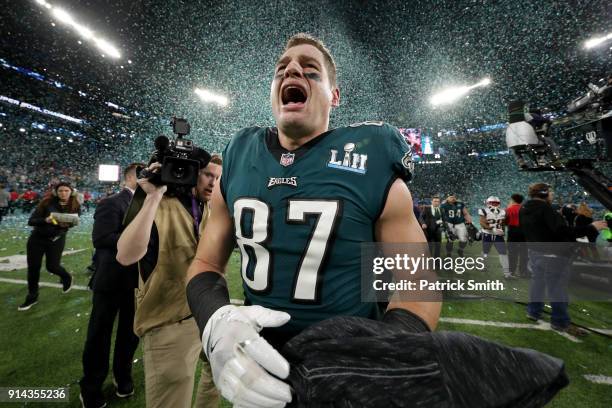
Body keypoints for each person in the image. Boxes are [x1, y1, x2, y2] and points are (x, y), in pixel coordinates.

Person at [185, 33, 441, 407]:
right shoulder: (240, 154)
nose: (292, 71)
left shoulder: (371, 155)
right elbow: (206, 262)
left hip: (349, 370)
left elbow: (416, 278)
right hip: (259, 364)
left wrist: (384, 353)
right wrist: (215, 320)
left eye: (311, 70)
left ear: (334, 96)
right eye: (282, 69)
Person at [116, 155, 222, 408]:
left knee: (220, 372)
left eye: (218, 178)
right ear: (192, 173)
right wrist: (152, 196)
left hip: (205, 314)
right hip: (169, 322)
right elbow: (125, 255)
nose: (213, 183)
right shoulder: (160, 204)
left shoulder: (207, 205)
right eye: (209, 175)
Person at [79, 163, 144, 408]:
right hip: (111, 280)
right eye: (143, 174)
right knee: (99, 335)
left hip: (136, 281)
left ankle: (122, 377)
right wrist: (139, 238)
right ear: (130, 177)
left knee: (130, 334)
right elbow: (101, 238)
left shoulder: (150, 204)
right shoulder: (112, 202)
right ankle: (91, 387)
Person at [520, 183, 606, 336]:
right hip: (553, 255)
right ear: (544, 193)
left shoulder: (524, 208)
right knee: (557, 288)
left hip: (535, 252)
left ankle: (533, 311)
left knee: (538, 283)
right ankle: (560, 322)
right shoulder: (546, 209)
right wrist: (591, 228)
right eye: (551, 192)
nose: (552, 195)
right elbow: (563, 232)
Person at [18, 182, 80, 311]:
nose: (63, 193)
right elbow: (31, 221)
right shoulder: (46, 203)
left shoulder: (75, 205)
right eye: (60, 191)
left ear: (71, 192)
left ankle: (66, 276)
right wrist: (45, 220)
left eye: (66, 191)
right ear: (56, 192)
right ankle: (32, 296)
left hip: (56, 239)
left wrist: (65, 225)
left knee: (52, 267)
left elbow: (73, 223)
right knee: (33, 268)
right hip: (37, 239)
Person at [478, 196, 512, 278]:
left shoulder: (502, 212)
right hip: (487, 234)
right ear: (488, 203)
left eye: (496, 203)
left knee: (503, 252)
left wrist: (502, 231)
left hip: (498, 235)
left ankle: (506, 273)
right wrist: (492, 228)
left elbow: (503, 224)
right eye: (493, 203)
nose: (495, 204)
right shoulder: (483, 211)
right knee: (486, 251)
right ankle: (482, 264)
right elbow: (482, 223)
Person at [505, 193, 528, 277]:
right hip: (524, 232)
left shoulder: (509, 209)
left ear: (513, 199)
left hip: (512, 232)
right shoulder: (525, 209)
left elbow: (505, 221)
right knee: (524, 252)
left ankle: (511, 271)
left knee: (512, 252)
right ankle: (523, 271)